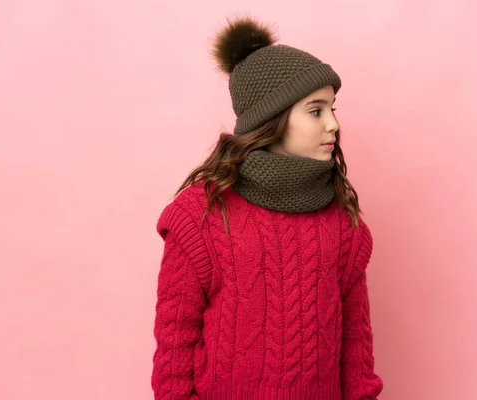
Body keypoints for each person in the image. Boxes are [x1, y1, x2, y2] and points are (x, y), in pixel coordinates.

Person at [151, 16, 383, 400]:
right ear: (271, 119)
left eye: (333, 109)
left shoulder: (342, 223)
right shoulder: (200, 216)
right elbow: (175, 351)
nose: (334, 125)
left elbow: (356, 354)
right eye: (316, 110)